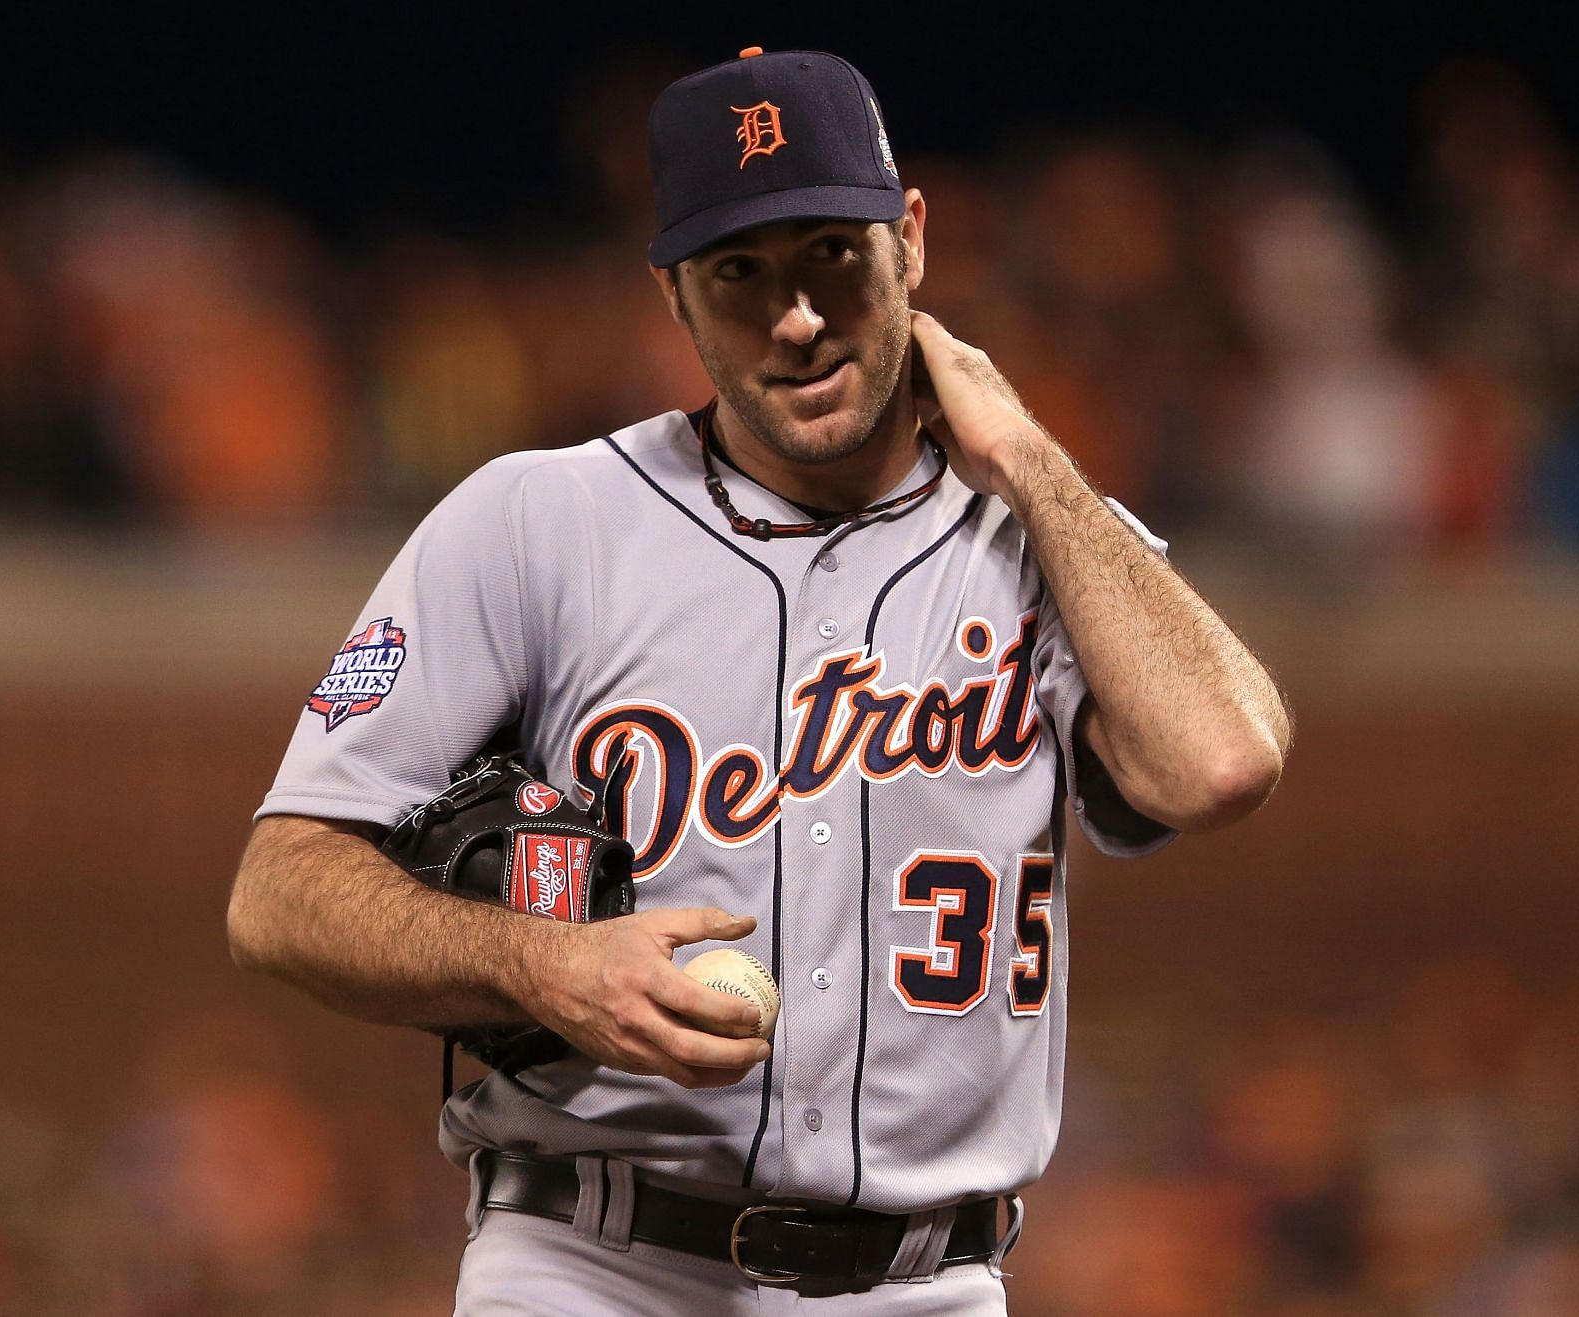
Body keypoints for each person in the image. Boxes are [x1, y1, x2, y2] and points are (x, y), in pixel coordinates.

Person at [227, 46, 1291, 1314]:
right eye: (741, 272)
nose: (793, 317)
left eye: (830, 254)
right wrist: (536, 966)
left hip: (928, 1285)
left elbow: (1222, 762)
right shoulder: (534, 523)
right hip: (588, 1264)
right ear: (676, 296)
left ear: (912, 242)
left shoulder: (1041, 535)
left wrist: (1031, 461)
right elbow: (278, 893)